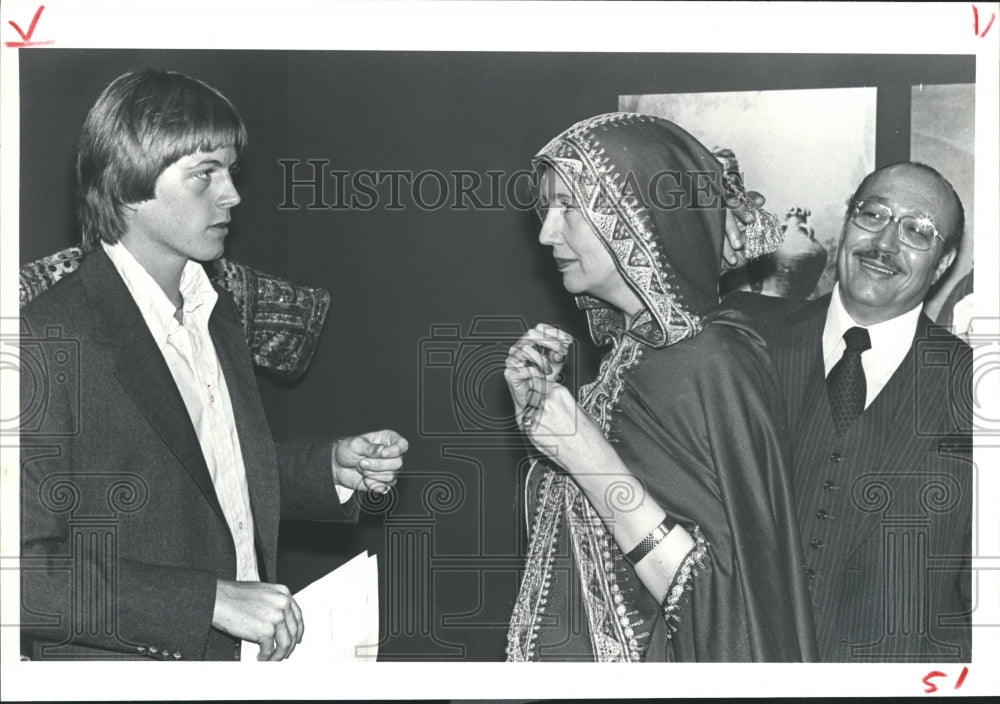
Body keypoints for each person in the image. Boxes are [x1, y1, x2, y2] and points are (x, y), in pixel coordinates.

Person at [19, 69, 408, 661]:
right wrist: (208, 601)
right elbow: (21, 571)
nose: (232, 194)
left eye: (230, 171)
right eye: (205, 173)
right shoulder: (44, 337)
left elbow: (199, 474)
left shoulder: (214, 310)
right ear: (128, 185)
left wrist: (327, 469)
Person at [503, 113, 817, 662]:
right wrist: (541, 422)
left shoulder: (713, 362)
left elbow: (730, 606)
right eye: (546, 207)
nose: (546, 233)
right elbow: (582, 547)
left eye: (569, 206)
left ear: (635, 217)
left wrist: (587, 458)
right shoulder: (633, 354)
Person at [727, 162, 973, 662]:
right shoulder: (743, 341)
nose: (884, 242)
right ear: (845, 225)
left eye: (917, 231)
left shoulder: (979, 389)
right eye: (873, 214)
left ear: (943, 262)